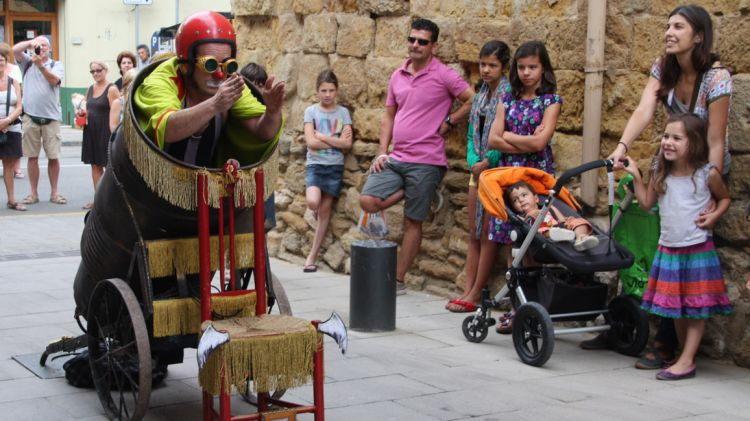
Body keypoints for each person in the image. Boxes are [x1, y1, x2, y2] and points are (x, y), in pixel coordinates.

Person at [588, 4, 733, 366]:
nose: (669, 32)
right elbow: (643, 110)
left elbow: (716, 139)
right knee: (661, 251)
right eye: (667, 25)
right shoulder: (662, 67)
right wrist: (622, 147)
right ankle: (639, 328)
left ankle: (667, 344)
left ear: (698, 36)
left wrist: (708, 191)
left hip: (703, 173)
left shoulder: (717, 79)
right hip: (669, 168)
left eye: (678, 27)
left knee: (688, 256)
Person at [359, 18, 474, 295]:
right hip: (397, 157)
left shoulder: (444, 74)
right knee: (368, 200)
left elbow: (473, 99)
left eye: (422, 41)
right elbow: (388, 116)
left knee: (413, 221)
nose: (415, 45)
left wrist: (452, 119)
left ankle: (397, 281)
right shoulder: (398, 74)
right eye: (412, 39)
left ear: (434, 46)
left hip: (427, 160)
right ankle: (418, 192)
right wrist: (381, 151)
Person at [622, 113, 732, 380]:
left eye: (676, 138)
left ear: (693, 143)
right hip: (669, 249)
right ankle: (685, 356)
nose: (668, 142)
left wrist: (715, 215)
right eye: (665, 136)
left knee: (696, 308)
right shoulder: (661, 173)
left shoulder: (707, 174)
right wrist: (637, 176)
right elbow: (647, 204)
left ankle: (686, 359)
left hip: (697, 249)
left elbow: (725, 198)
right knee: (678, 308)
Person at [133, 11, 283, 167]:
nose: (219, 74)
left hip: (204, 185)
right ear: (186, 65)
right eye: (209, 65)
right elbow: (167, 129)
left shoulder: (230, 81)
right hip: (147, 183)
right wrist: (214, 105)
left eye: (227, 64)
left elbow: (264, 131)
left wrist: (272, 112)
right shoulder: (160, 81)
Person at [485, 40, 562, 332]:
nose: (527, 73)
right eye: (522, 67)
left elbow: (540, 143)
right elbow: (492, 139)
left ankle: (533, 308)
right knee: (511, 241)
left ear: (543, 68)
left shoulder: (550, 101)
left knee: (533, 241)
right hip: (507, 179)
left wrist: (510, 135)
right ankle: (517, 307)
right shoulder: (507, 97)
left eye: (533, 67)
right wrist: (525, 139)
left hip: (535, 178)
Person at [446, 40, 511, 313]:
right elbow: (473, 131)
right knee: (473, 230)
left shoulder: (507, 95)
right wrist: (474, 160)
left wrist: (487, 161)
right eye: (483, 64)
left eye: (492, 65)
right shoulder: (481, 93)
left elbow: (501, 133)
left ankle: (475, 294)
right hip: (477, 170)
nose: (486, 70)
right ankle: (467, 289)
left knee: (487, 234)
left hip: (494, 171)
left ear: (503, 67)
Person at [302, 70, 353, 272]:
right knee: (313, 202)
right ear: (317, 91)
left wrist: (323, 137)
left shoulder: (343, 113)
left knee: (325, 212)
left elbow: (347, 145)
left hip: (335, 167)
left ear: (337, 91)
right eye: (323, 90)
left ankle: (311, 257)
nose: (327, 94)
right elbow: (310, 142)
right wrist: (335, 141)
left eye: (331, 90)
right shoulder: (311, 111)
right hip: (315, 165)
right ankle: (314, 212)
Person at [13, 35, 66, 206]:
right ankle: (33, 193)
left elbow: (54, 81)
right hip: (30, 117)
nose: (41, 48)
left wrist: (41, 66)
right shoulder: (27, 62)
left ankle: (55, 193)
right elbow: (13, 50)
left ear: (50, 49)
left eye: (44, 46)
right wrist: (30, 43)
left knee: (53, 157)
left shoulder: (56, 65)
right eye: (38, 45)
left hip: (52, 118)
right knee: (32, 157)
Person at [504, 181, 598, 250]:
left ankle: (581, 238)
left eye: (524, 195)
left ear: (536, 198)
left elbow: (560, 219)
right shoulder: (520, 217)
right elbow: (523, 227)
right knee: (540, 232)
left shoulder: (548, 207)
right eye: (515, 200)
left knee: (578, 221)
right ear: (513, 207)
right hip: (544, 234)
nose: (520, 200)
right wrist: (528, 216)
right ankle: (557, 234)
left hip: (559, 226)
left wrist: (566, 223)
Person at [78, 61, 119, 210]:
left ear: (106, 70)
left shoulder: (112, 89)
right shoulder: (90, 89)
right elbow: (86, 108)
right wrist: (82, 113)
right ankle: (98, 200)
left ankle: (110, 200)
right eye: (92, 71)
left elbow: (117, 112)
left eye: (98, 70)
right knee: (95, 165)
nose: (95, 74)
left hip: (105, 131)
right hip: (91, 131)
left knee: (108, 166)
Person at [0, 50, 25, 211]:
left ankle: (11, 199)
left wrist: (7, 121)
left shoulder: (13, 82)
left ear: (6, 63)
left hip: (11, 127)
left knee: (9, 165)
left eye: (1, 60)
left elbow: (19, 106)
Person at [109, 68, 137, 133]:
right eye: (130, 82)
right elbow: (113, 128)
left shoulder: (142, 101)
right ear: (125, 85)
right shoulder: (118, 103)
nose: (132, 85)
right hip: (123, 139)